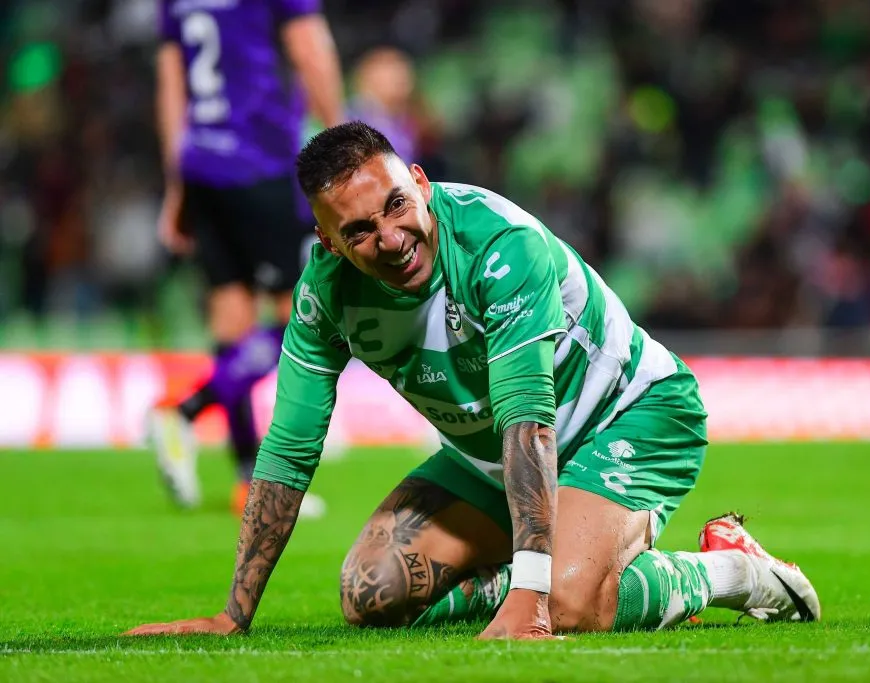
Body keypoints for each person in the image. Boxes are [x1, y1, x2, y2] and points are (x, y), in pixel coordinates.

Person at [127, 122, 820, 639]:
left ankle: (731, 571)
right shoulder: (325, 295)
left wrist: (532, 591)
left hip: (629, 414)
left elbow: (528, 416)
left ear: (420, 182)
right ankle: (540, 570)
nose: (390, 237)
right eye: (360, 231)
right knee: (371, 593)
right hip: (491, 457)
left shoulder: (498, 244)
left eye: (397, 205)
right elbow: (288, 446)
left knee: (565, 602)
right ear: (330, 242)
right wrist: (234, 614)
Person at [146, 0, 344, 515]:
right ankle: (185, 409)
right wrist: (346, 151)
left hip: (201, 166)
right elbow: (309, 50)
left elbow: (171, 83)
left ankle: (246, 483)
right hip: (260, 163)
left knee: (231, 321)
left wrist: (176, 182)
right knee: (301, 319)